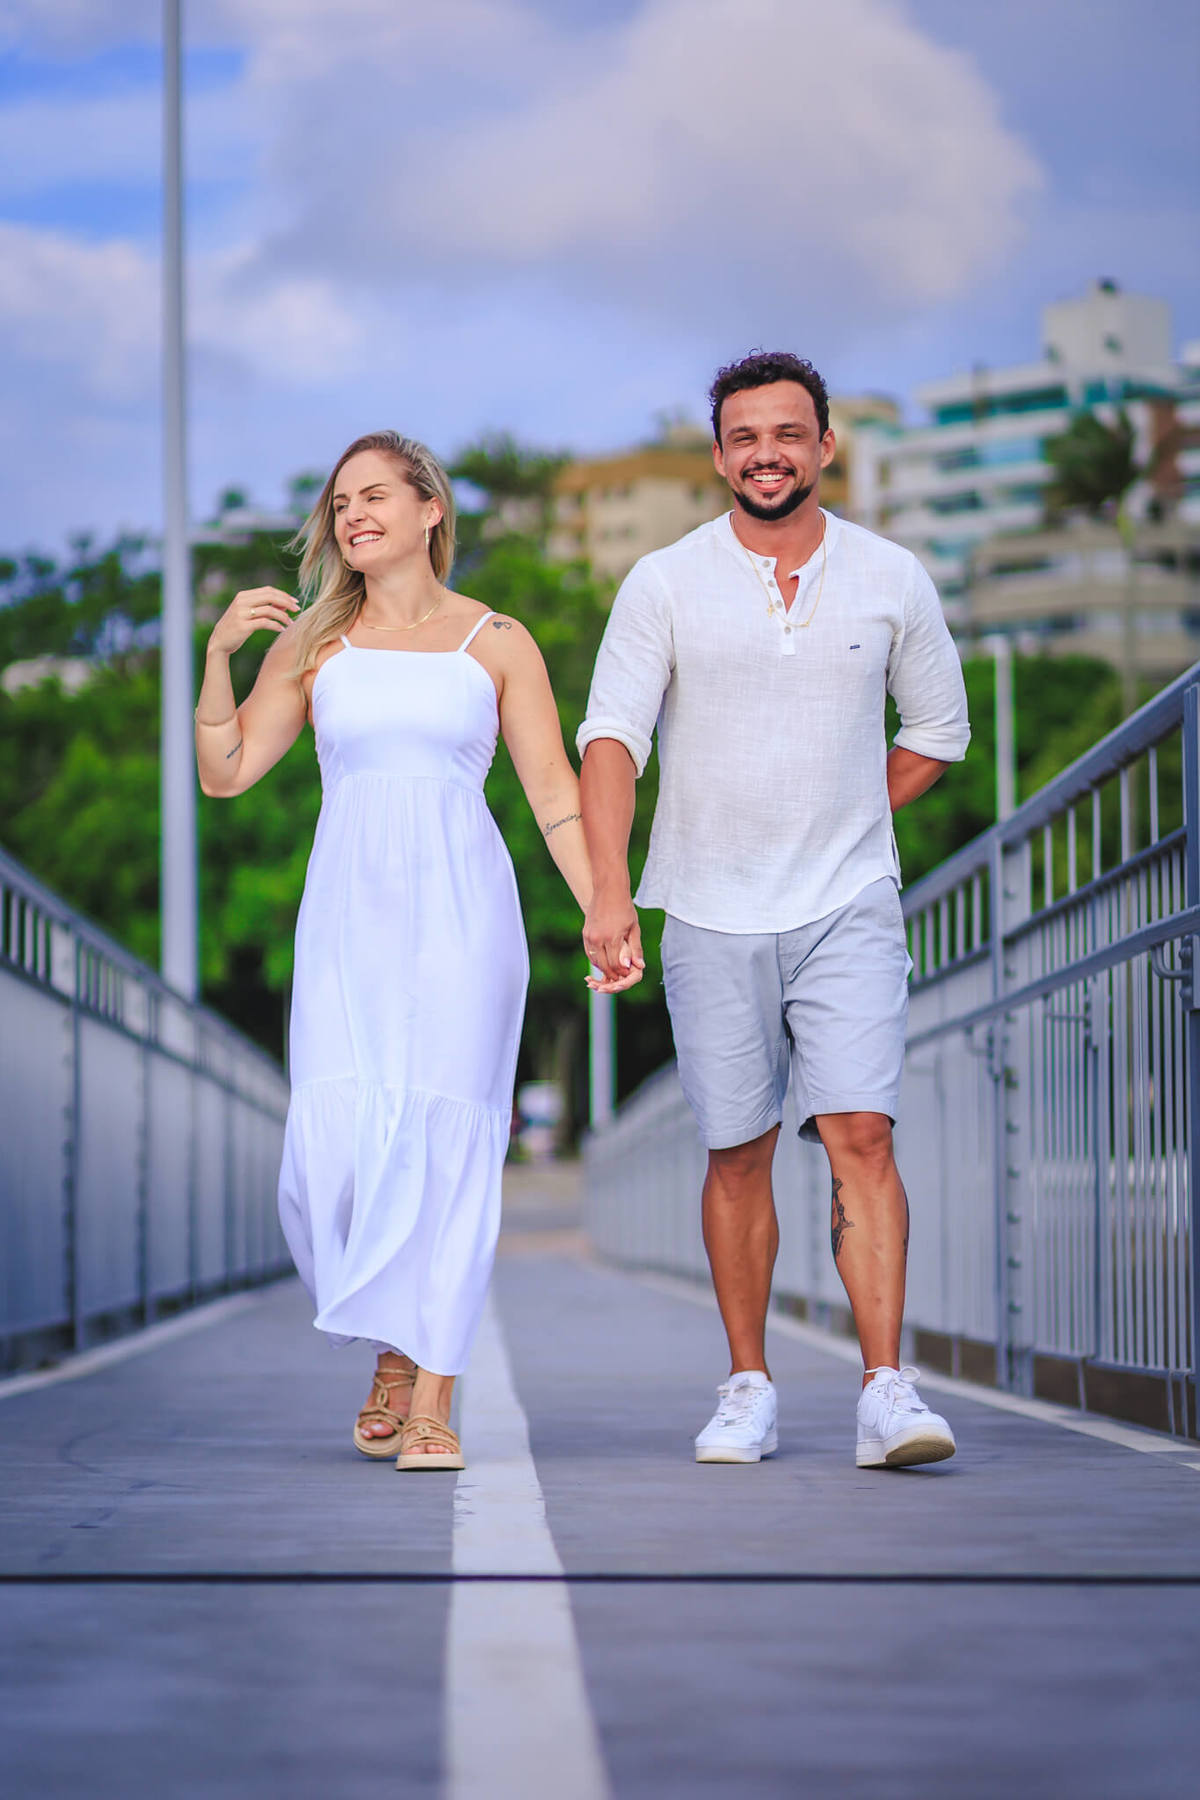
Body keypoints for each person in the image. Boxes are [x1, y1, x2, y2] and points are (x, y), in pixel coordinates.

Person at [196, 430, 638, 1471]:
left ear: (430, 507)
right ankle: (393, 1349)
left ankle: (433, 1394)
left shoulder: (498, 640)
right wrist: (218, 658)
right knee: (340, 1156)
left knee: (445, 1147)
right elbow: (226, 770)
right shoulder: (315, 645)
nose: (353, 515)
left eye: (374, 496)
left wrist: (604, 908)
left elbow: (554, 798)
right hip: (347, 923)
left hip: (462, 919)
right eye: (340, 502)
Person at [578, 352, 970, 1469]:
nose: (767, 454)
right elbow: (611, 741)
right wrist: (610, 891)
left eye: (789, 434)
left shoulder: (892, 576)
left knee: (862, 1133)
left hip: (849, 897)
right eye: (745, 437)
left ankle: (886, 1391)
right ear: (718, 456)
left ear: (825, 445)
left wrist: (847, 811)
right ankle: (747, 1386)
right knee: (737, 1150)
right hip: (707, 907)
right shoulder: (663, 581)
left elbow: (938, 733)